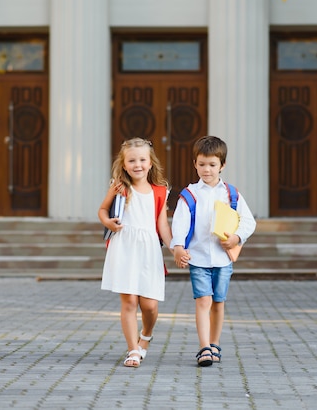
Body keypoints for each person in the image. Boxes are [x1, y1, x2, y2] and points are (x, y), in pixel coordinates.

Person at [171, 136, 256, 367]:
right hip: (198, 258)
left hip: (223, 259)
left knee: (218, 302)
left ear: (222, 165)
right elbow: (180, 223)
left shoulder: (231, 194)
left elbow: (248, 221)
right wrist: (178, 247)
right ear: (194, 164)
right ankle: (204, 347)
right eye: (201, 164)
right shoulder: (190, 194)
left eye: (212, 164)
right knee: (203, 301)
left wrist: (237, 237)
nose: (206, 169)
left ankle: (215, 344)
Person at [99, 137, 172, 368]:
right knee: (129, 301)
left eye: (142, 160)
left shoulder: (160, 192)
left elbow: (162, 225)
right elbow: (102, 210)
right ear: (124, 164)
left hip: (148, 249)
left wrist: (175, 248)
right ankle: (132, 350)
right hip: (124, 248)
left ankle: (146, 336)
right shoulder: (119, 187)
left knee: (149, 305)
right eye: (132, 160)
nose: (137, 164)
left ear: (150, 163)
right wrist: (108, 222)